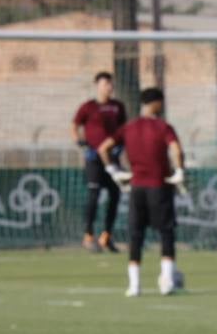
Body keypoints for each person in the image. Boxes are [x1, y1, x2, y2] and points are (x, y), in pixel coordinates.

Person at [98, 87, 184, 298]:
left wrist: (113, 171)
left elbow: (103, 148)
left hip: (137, 188)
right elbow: (176, 149)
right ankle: (167, 280)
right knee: (166, 232)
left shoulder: (129, 127)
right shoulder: (163, 127)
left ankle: (134, 285)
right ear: (156, 103)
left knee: (136, 235)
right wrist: (179, 171)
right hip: (159, 186)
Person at [72, 71, 127, 252]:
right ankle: (88, 235)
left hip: (112, 158)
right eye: (105, 84)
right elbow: (75, 125)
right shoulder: (88, 106)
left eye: (111, 84)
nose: (109, 87)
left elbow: (123, 129)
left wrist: (121, 146)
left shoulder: (118, 106)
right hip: (94, 159)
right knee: (93, 195)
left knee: (115, 196)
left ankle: (106, 236)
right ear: (97, 86)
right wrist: (79, 141)